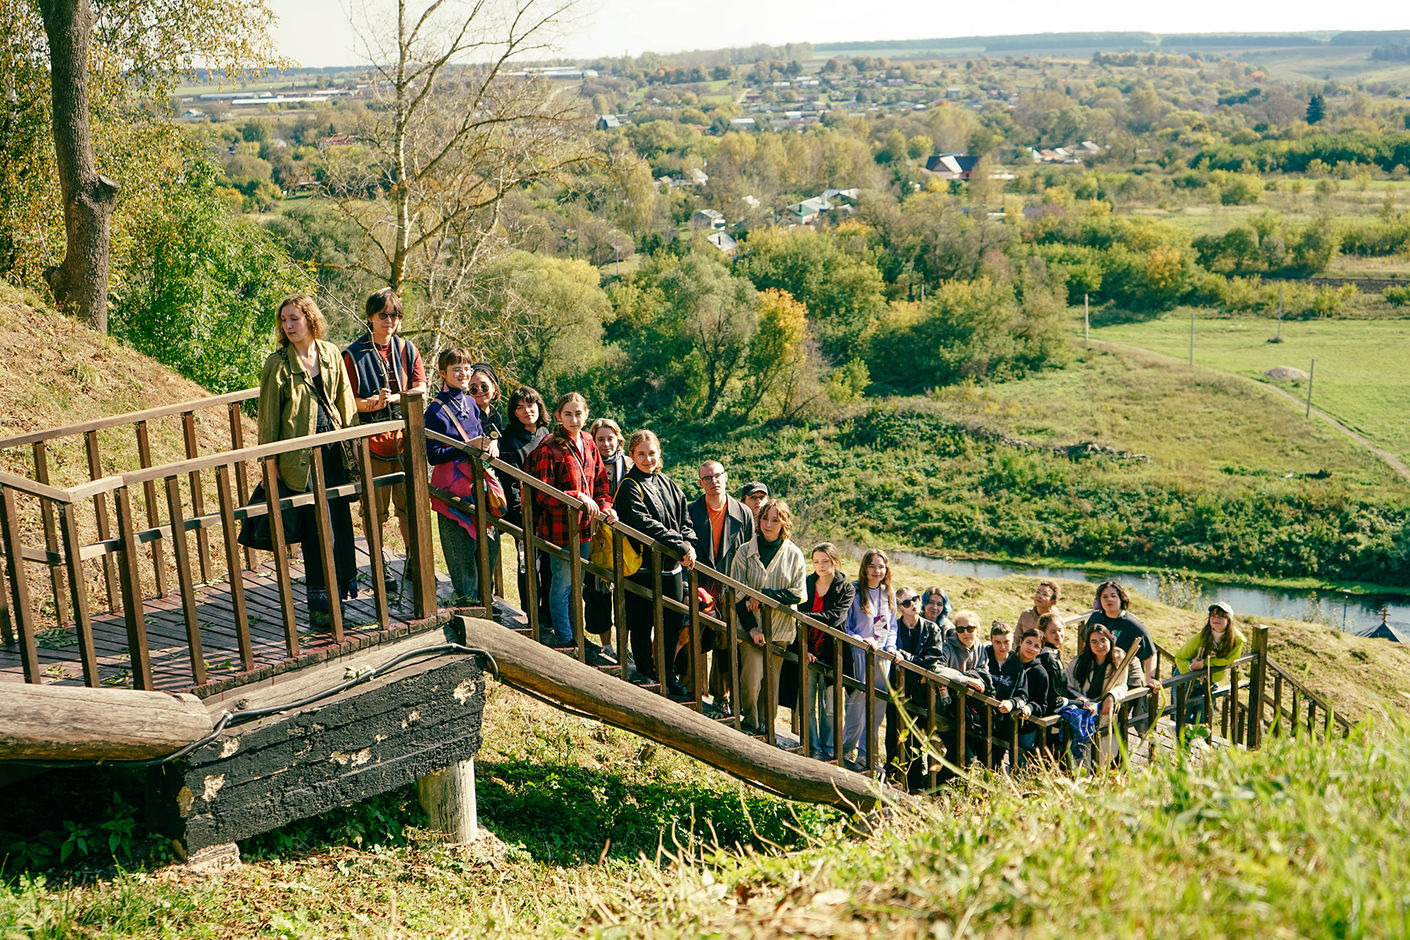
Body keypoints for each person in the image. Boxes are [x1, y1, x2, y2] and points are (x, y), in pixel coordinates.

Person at [256, 294, 358, 622]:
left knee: (339, 523)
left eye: (294, 319)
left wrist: (354, 447)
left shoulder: (330, 353)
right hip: (300, 460)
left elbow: (346, 403)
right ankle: (320, 608)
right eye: (283, 320)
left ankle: (340, 598)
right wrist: (270, 467)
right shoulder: (278, 363)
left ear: (310, 319)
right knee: (316, 530)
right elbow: (269, 419)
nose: (287, 326)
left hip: (333, 452)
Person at [341, 288, 426, 590]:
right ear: (370, 317)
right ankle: (378, 565)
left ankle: (414, 560)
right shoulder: (352, 355)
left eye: (395, 315)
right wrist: (374, 403)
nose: (389, 321)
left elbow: (421, 387)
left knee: (408, 508)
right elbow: (349, 401)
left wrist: (398, 398)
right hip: (372, 444)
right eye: (383, 315)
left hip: (404, 443)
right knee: (375, 512)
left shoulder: (408, 349)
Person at [526, 392, 616, 648]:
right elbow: (543, 492)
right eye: (568, 414)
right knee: (562, 584)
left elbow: (600, 480)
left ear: (586, 414)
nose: (574, 419)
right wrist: (576, 497)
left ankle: (577, 633)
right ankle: (565, 637)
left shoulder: (588, 441)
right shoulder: (549, 447)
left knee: (578, 583)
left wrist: (605, 504)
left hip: (586, 528)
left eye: (578, 413)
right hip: (560, 528)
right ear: (558, 416)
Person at [614, 430, 697, 697]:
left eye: (652, 453)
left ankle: (666, 672)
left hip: (671, 567)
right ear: (632, 455)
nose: (647, 458)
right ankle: (645, 670)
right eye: (641, 454)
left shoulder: (669, 484)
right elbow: (644, 523)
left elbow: (685, 520)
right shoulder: (629, 486)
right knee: (642, 623)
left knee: (672, 622)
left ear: (659, 454)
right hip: (642, 568)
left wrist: (689, 542)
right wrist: (680, 544)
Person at [425, 348, 499, 608]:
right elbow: (433, 455)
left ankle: (484, 601)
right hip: (451, 490)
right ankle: (469, 603)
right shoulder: (434, 411)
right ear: (443, 373)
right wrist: (467, 446)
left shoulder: (470, 402)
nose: (464, 373)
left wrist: (488, 445)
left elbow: (480, 434)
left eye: (467, 367)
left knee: (488, 547)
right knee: (461, 550)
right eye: (457, 369)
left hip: (476, 484)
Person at [728, 499, 807, 736]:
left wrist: (763, 596)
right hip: (750, 628)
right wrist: (752, 628)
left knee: (771, 687)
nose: (769, 525)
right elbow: (736, 593)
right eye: (765, 519)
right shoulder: (744, 551)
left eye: (775, 520)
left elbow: (798, 594)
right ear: (758, 520)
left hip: (780, 631)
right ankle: (750, 723)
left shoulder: (794, 555)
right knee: (751, 682)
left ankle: (766, 729)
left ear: (784, 523)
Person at [688, 459, 755, 715]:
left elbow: (749, 553)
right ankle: (691, 689)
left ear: (726, 477)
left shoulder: (743, 513)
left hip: (730, 587)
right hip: (699, 584)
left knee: (725, 643)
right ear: (700, 483)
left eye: (717, 476)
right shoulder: (692, 510)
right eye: (707, 478)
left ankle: (720, 696)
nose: (713, 481)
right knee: (695, 636)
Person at [500, 384, 551, 627]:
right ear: (514, 412)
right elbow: (511, 482)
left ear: (538, 406)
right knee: (528, 565)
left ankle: (549, 613)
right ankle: (532, 613)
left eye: (530, 405)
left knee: (549, 566)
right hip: (525, 513)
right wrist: (522, 515)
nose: (526, 411)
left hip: (550, 512)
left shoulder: (546, 434)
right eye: (520, 407)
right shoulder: (509, 440)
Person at [841, 549, 896, 773]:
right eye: (872, 566)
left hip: (882, 657)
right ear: (865, 568)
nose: (876, 571)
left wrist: (891, 647)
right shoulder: (853, 591)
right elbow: (846, 625)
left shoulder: (887, 594)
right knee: (856, 706)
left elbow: (891, 626)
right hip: (859, 654)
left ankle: (867, 755)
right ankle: (845, 750)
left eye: (881, 567)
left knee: (877, 707)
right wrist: (859, 640)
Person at [887, 586, 946, 790]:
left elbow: (933, 659)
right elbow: (891, 656)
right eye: (906, 602)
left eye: (915, 599)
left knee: (919, 738)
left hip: (922, 693)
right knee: (894, 737)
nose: (913, 604)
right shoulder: (894, 627)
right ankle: (893, 779)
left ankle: (914, 785)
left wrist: (906, 658)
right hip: (898, 690)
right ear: (899, 607)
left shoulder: (932, 629)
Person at [1082, 581, 1160, 730]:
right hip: (1102, 667)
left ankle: (1137, 736)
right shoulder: (1095, 619)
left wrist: (1149, 677)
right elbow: (1086, 643)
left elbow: (1150, 653)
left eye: (1113, 596)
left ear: (1121, 599)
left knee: (1123, 711)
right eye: (1104, 597)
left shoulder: (1132, 624)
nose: (1109, 600)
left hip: (1127, 670)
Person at [801, 542, 854, 760]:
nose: (820, 566)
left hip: (833, 653)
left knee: (831, 707)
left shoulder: (846, 588)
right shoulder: (807, 583)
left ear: (835, 561)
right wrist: (804, 647)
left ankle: (829, 748)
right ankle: (812, 748)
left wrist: (805, 617)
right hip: (808, 650)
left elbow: (835, 618)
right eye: (816, 562)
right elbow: (798, 617)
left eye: (825, 561)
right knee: (807, 703)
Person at [1064, 623, 1144, 768]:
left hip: (1105, 711)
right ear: (1088, 644)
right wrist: (1081, 700)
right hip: (1083, 708)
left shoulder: (1118, 657)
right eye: (1094, 641)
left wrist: (1111, 696)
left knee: (1104, 753)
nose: (1099, 645)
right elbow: (1067, 684)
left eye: (1103, 640)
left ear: (1110, 640)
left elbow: (1122, 685)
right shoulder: (1080, 661)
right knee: (1081, 751)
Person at [587, 417, 630, 663]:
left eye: (610, 438)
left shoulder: (629, 464)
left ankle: (625, 645)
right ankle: (606, 644)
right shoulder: (588, 462)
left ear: (618, 440)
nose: (605, 444)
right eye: (600, 439)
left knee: (625, 594)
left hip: (624, 536)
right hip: (595, 534)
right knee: (598, 592)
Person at [932, 608, 992, 781]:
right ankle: (930, 786)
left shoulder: (981, 648)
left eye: (970, 629)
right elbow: (937, 669)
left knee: (963, 758)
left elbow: (984, 673)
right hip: (945, 713)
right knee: (964, 757)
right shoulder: (947, 647)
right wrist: (965, 680)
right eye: (961, 629)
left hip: (969, 714)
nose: (966, 633)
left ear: (978, 630)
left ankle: (932, 787)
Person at [993, 627, 1059, 769]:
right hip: (1000, 718)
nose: (1031, 648)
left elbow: (1042, 704)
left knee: (1020, 760)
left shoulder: (1040, 673)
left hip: (1025, 724)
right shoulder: (1007, 660)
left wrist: (1029, 707)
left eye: (1036, 646)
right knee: (994, 755)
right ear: (1020, 642)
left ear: (1040, 650)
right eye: (1028, 642)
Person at [1174, 602, 1247, 725]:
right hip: (1186, 678)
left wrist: (1206, 664)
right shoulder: (1200, 637)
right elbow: (1180, 657)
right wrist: (1191, 667)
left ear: (1229, 619)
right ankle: (1181, 743)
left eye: (1220, 616)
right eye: (1212, 616)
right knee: (1182, 716)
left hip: (1209, 680)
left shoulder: (1237, 640)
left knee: (1204, 718)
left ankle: (1197, 743)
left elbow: (1228, 659)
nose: (1215, 619)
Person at [467, 364, 504, 438]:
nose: (480, 391)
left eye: (484, 386)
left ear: (493, 387)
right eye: (473, 388)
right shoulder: (466, 415)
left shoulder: (496, 417)